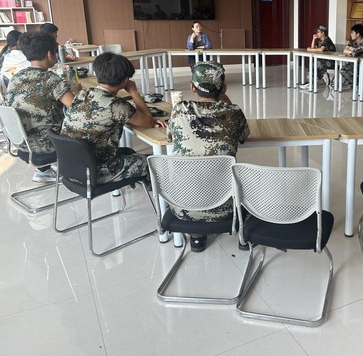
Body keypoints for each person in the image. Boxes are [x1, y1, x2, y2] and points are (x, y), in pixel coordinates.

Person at [167, 61, 250, 252]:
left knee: (194, 176)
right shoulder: (234, 113)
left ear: (192, 87)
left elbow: (170, 137)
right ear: (224, 88)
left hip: (181, 206)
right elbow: (244, 136)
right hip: (226, 209)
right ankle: (244, 236)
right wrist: (225, 101)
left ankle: (197, 236)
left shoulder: (179, 110)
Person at [61, 52, 166, 184]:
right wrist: (134, 92)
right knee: (155, 162)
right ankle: (163, 197)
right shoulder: (115, 105)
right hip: (95, 172)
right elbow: (148, 121)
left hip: (70, 168)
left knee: (129, 152)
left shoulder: (83, 93)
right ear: (125, 80)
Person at [5, 32, 80, 182]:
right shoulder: (49, 79)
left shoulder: (16, 77)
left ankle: (43, 171)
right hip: (46, 145)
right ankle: (85, 171)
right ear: (49, 54)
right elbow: (76, 107)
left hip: (22, 143)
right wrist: (76, 90)